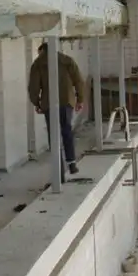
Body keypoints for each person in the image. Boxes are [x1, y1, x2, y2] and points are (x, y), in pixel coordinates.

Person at [28, 41, 86, 175]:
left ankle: (58, 168)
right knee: (67, 130)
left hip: (48, 103)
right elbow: (79, 81)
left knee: (53, 134)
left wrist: (37, 103)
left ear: (42, 51)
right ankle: (72, 163)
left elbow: (33, 87)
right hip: (67, 101)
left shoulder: (38, 64)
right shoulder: (67, 60)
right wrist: (80, 99)